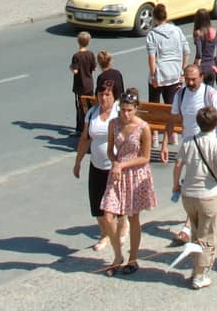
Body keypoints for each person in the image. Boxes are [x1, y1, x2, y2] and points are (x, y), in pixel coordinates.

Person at [99, 88, 155, 276]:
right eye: (123, 109)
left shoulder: (143, 127)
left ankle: (133, 259)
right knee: (108, 215)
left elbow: (145, 157)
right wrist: (115, 162)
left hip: (135, 174)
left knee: (133, 217)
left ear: (136, 109)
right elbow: (110, 150)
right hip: (117, 173)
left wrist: (123, 165)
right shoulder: (113, 124)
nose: (126, 114)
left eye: (130, 110)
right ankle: (117, 255)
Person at [171, 105, 217, 289]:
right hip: (208, 194)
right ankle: (199, 275)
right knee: (207, 236)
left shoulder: (188, 141)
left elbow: (178, 165)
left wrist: (176, 184)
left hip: (188, 193)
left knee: (196, 232)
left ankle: (196, 268)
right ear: (216, 124)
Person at [72, 83, 120, 256]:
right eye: (101, 95)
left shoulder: (119, 113)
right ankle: (105, 233)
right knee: (96, 206)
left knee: (113, 206)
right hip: (96, 164)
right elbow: (85, 138)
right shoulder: (92, 113)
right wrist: (78, 162)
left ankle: (118, 235)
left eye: (107, 95)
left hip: (115, 166)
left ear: (114, 96)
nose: (104, 98)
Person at [145, 3, 190, 105]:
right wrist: (182, 70)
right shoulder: (177, 30)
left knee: (154, 107)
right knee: (171, 107)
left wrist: (153, 76)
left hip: (159, 74)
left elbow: (152, 57)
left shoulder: (152, 34)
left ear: (154, 18)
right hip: (174, 74)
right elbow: (187, 51)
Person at [70, 31, 97, 133]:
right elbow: (94, 68)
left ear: (78, 42)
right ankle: (90, 125)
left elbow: (75, 71)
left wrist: (71, 68)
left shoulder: (76, 56)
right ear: (88, 42)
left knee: (80, 107)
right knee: (90, 106)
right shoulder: (90, 54)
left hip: (80, 85)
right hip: (89, 84)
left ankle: (80, 128)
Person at [192, 9, 217, 86]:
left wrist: (195, 65)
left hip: (202, 67)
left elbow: (199, 54)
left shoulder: (198, 33)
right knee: (210, 92)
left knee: (200, 93)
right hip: (212, 67)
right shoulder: (215, 32)